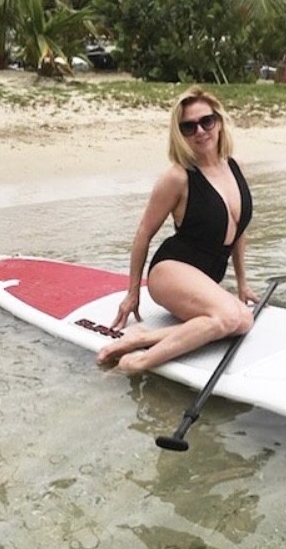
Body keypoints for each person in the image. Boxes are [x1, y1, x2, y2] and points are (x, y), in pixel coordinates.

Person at [96, 85, 259, 373]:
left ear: (219, 122)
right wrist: (132, 293)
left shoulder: (235, 167)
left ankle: (144, 338)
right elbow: (144, 233)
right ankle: (138, 362)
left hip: (206, 276)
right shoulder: (177, 177)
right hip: (171, 271)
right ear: (179, 133)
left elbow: (239, 230)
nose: (200, 131)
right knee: (237, 319)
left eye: (206, 121)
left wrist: (243, 282)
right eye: (188, 127)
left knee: (238, 319)